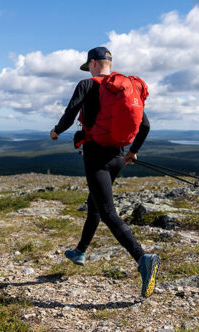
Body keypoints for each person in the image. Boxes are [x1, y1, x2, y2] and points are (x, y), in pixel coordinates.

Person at [50, 46, 160, 298]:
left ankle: (143, 259)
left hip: (96, 156)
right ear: (109, 64)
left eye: (88, 65)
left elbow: (70, 114)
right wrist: (133, 151)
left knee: (108, 211)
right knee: (95, 204)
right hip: (118, 156)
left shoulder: (87, 85)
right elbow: (145, 124)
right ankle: (79, 251)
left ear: (92, 64)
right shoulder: (123, 88)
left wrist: (56, 131)